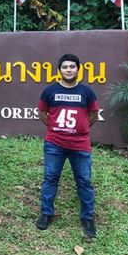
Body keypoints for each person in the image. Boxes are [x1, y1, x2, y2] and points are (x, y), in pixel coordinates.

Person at [36, 54, 100, 239]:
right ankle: (46, 214)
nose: (69, 70)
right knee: (50, 178)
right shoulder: (50, 91)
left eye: (72, 66)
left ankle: (87, 218)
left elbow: (93, 114)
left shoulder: (87, 92)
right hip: (55, 143)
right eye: (65, 67)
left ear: (78, 69)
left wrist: (81, 129)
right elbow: (42, 112)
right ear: (60, 70)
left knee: (84, 181)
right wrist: (55, 127)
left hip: (80, 145)